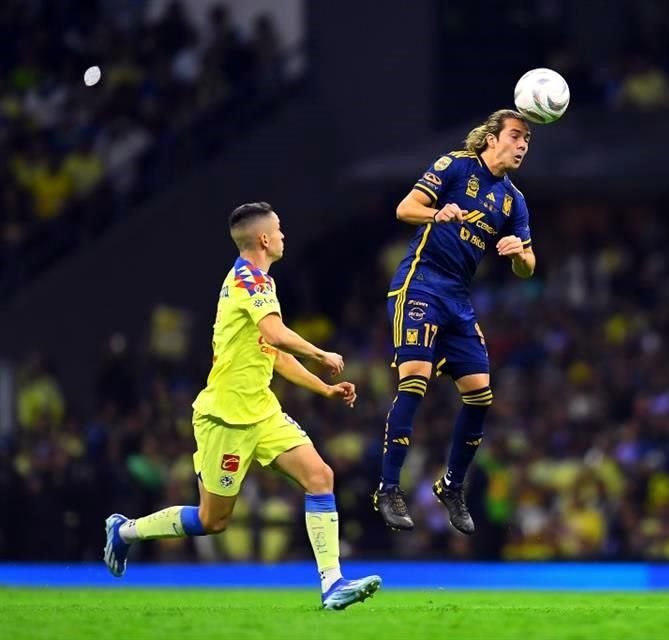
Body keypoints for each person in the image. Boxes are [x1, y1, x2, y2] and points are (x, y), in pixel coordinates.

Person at [103, 202, 381, 610]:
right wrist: (321, 354)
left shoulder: (261, 283)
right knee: (212, 520)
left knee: (320, 476)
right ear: (264, 239)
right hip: (225, 418)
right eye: (280, 229)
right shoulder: (250, 281)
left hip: (262, 411)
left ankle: (332, 583)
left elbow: (272, 351)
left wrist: (323, 389)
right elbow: (276, 333)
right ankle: (124, 532)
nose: (285, 235)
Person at [375, 109, 536, 534]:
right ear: (491, 138)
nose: (521, 146)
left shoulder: (513, 200)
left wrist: (519, 252)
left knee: (480, 394)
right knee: (415, 379)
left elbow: (530, 266)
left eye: (527, 141)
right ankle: (388, 489)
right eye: (516, 136)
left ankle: (451, 485)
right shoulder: (454, 165)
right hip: (421, 284)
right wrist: (436, 214)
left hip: (458, 300)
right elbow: (404, 208)